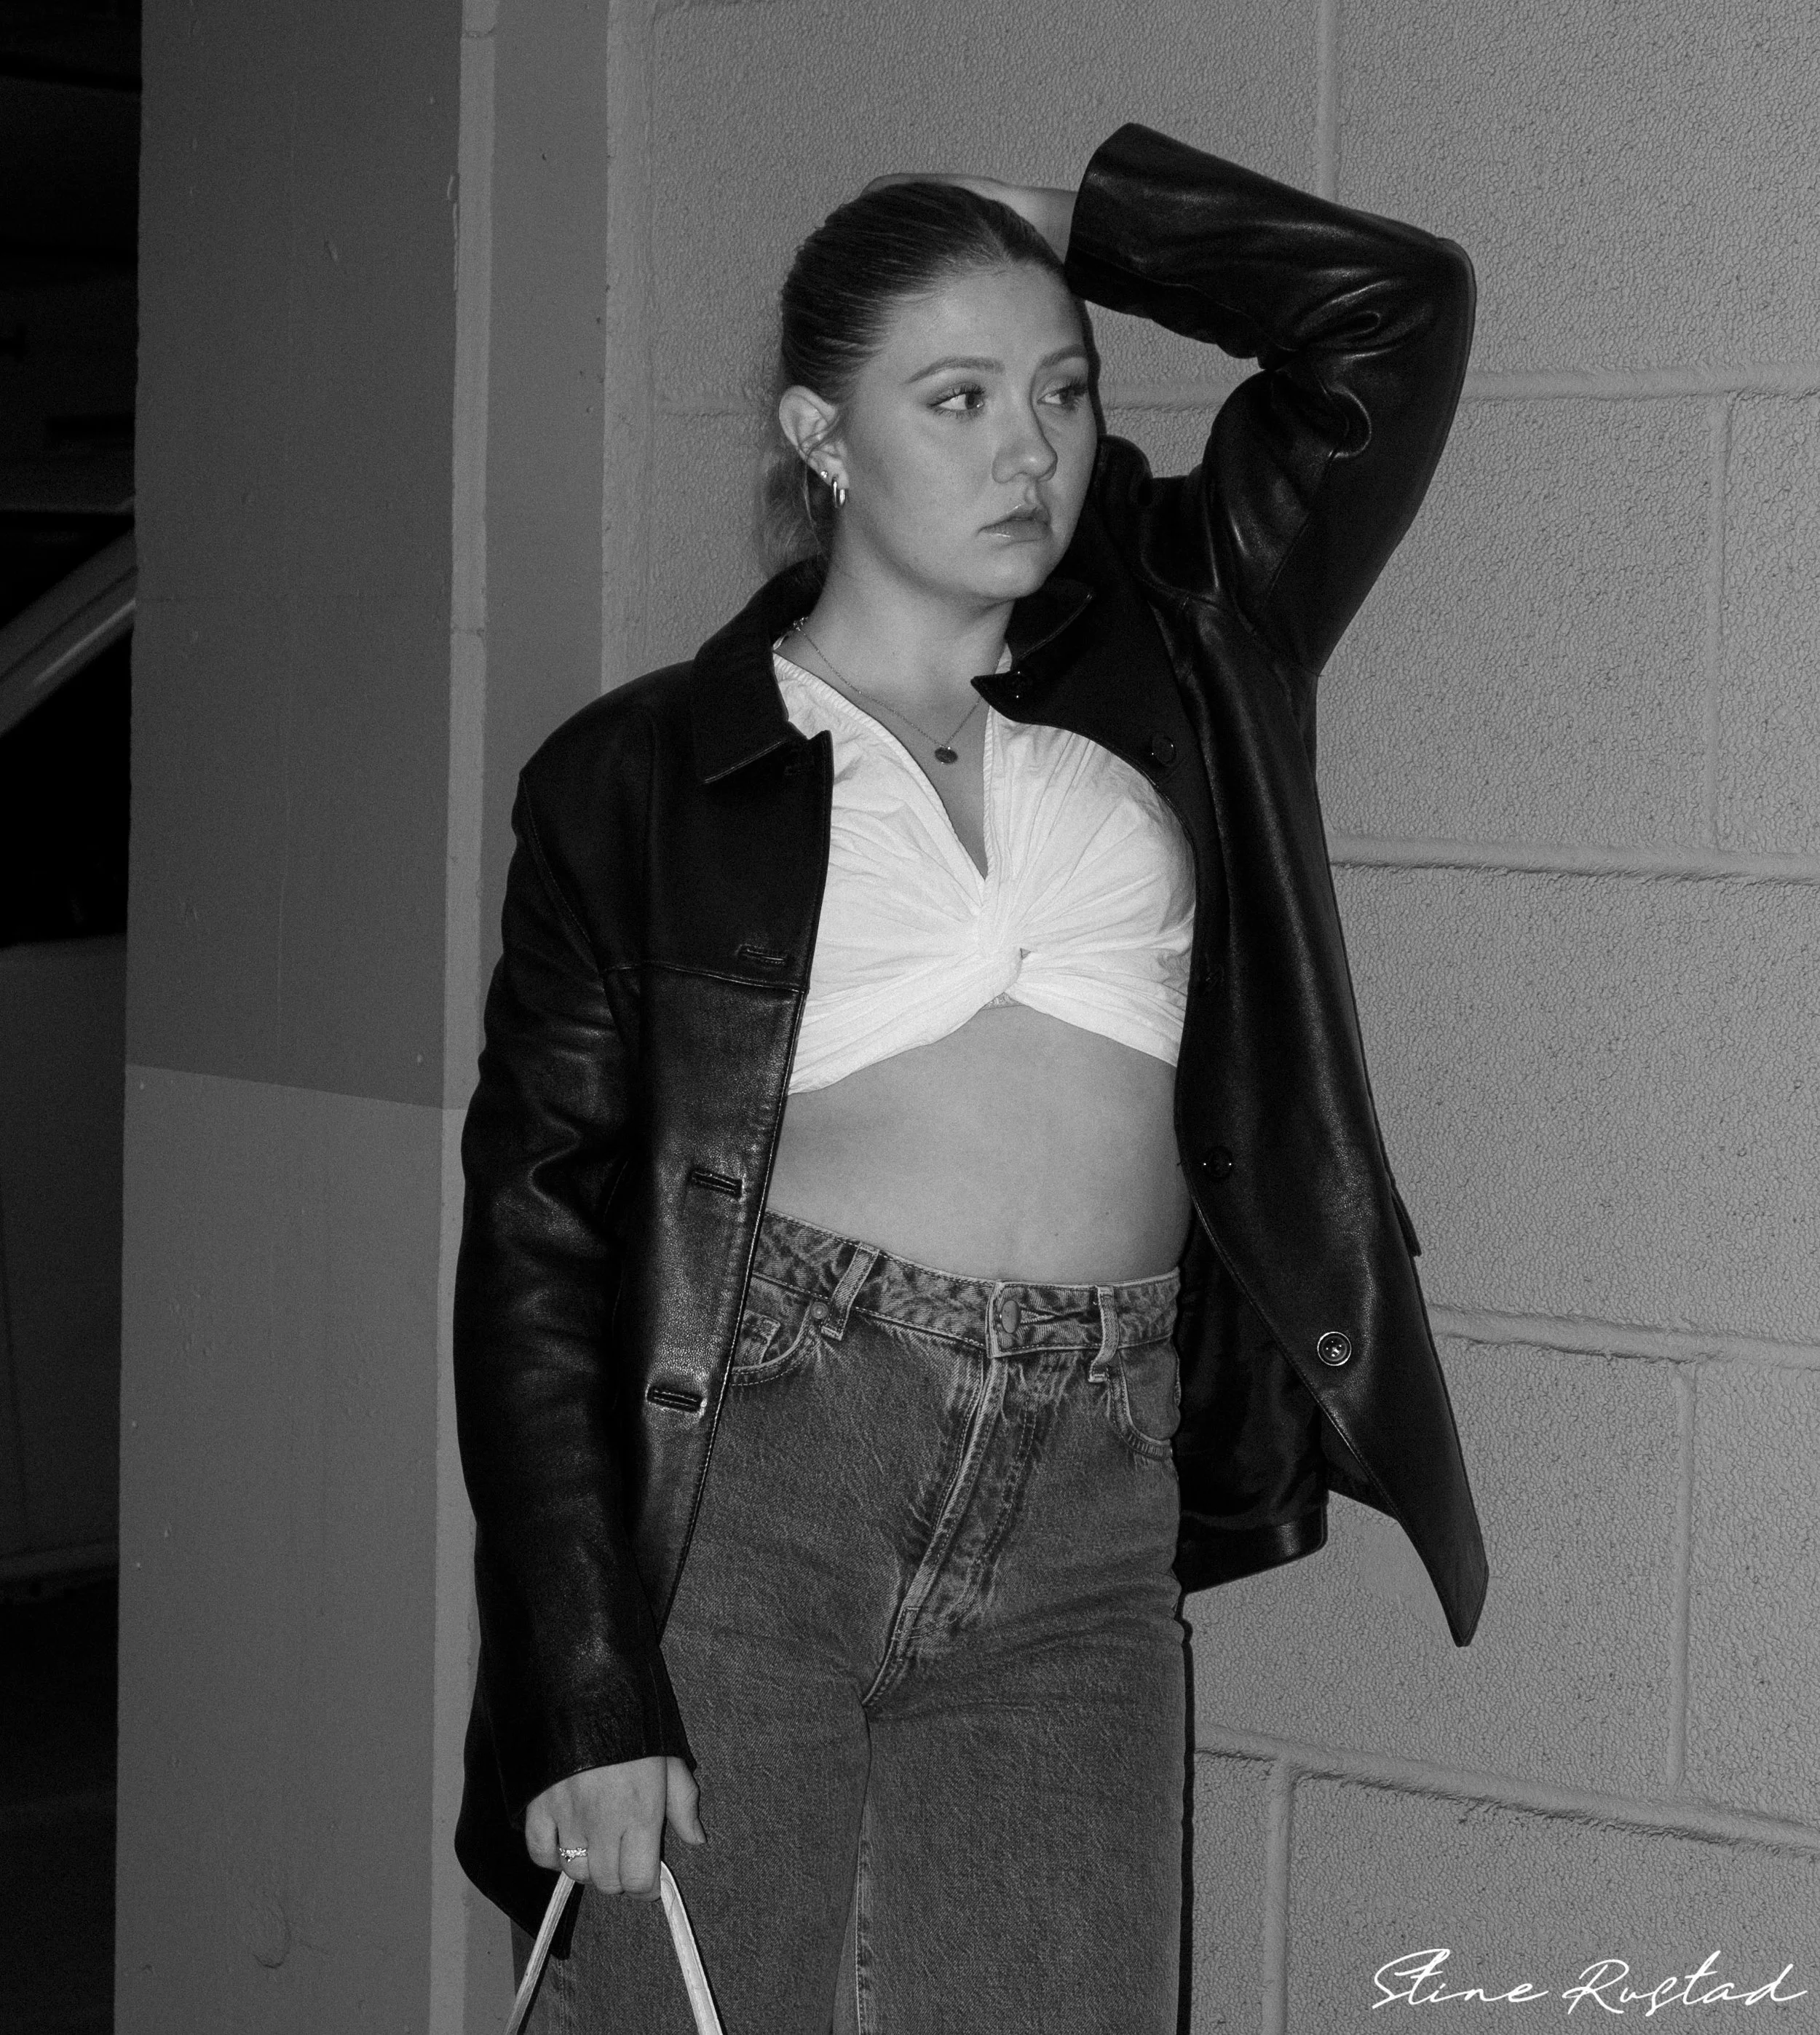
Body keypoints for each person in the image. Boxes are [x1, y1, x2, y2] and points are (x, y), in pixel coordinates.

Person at [452, 121, 1489, 2034]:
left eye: (1065, 393)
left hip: (1091, 1499)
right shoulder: (640, 780)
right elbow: (534, 1245)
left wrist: (1074, 224)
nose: (1033, 446)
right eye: (957, 398)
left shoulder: (1188, 632)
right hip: (766, 1487)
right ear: (821, 438)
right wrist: (586, 1680)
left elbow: (1393, 314)